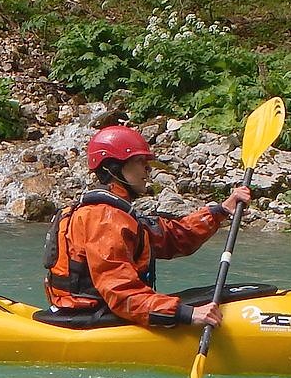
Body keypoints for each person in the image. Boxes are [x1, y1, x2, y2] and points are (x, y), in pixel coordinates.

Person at [43, 124, 252, 328]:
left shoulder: (118, 214)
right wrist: (186, 313)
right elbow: (119, 290)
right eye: (140, 161)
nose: (148, 169)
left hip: (103, 309)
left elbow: (174, 237)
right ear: (113, 167)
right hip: (91, 317)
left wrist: (221, 211)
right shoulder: (104, 219)